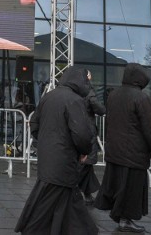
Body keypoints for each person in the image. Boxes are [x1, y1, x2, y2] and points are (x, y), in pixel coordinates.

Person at [14, 66, 98, 235]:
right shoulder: (74, 100)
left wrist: (45, 142)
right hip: (64, 160)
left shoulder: (49, 96)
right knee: (51, 203)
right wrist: (84, 151)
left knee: (57, 199)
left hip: (48, 157)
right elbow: (82, 133)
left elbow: (35, 124)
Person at [94, 63, 151, 233]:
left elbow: (110, 122)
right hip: (134, 153)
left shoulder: (113, 95)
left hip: (115, 151)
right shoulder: (142, 98)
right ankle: (125, 220)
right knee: (130, 189)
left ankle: (121, 218)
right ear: (141, 79)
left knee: (118, 186)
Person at [78, 70, 106, 207]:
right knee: (86, 163)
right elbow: (99, 109)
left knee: (86, 165)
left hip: (77, 128)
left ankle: (88, 194)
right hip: (88, 129)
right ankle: (74, 191)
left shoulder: (73, 90)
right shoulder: (89, 91)